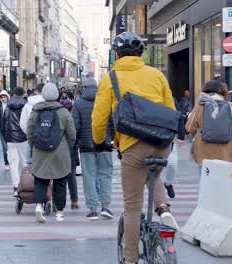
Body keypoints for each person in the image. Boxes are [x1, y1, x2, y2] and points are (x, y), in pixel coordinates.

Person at [92, 32, 179, 264]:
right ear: (142, 54)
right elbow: (171, 109)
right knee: (155, 175)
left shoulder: (111, 78)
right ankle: (164, 210)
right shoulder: (156, 75)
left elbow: (99, 117)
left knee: (132, 208)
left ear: (117, 54)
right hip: (161, 143)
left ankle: (130, 259)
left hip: (133, 145)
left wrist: (99, 140)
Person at [27, 83, 76, 223]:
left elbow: (29, 131)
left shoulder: (35, 111)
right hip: (60, 151)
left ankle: (38, 205)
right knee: (60, 181)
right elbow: (72, 134)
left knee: (40, 180)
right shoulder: (64, 112)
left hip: (40, 150)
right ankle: (59, 212)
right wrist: (67, 146)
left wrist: (34, 146)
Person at [73, 77, 115, 220]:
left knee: (89, 177)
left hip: (86, 145)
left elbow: (75, 126)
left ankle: (92, 210)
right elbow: (112, 122)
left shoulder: (78, 104)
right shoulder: (105, 101)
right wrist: (112, 139)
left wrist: (76, 142)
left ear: (83, 89)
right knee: (106, 174)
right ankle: (105, 206)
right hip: (104, 144)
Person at [186, 80, 232, 178]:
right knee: (225, 184)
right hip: (226, 153)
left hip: (204, 152)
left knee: (204, 184)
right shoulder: (230, 106)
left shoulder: (200, 105)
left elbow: (189, 127)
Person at [2, 87, 28, 197]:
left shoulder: (7, 106)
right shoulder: (26, 105)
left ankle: (16, 187)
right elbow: (28, 122)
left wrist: (6, 137)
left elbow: (3, 122)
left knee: (13, 163)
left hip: (10, 139)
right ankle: (27, 185)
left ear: (13, 94)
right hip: (23, 138)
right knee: (25, 162)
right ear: (23, 94)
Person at [20, 83, 45, 164]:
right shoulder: (50, 104)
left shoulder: (28, 104)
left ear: (35, 91)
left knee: (29, 164)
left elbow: (22, 123)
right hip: (47, 139)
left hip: (31, 138)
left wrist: (28, 133)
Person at [0, 90, 10, 170]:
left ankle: (11, 161)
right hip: (2, 129)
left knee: (11, 147)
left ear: (7, 97)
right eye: (2, 97)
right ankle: (6, 162)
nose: (3, 99)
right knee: (5, 147)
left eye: (5, 97)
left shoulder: (11, 105)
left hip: (11, 130)